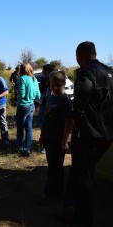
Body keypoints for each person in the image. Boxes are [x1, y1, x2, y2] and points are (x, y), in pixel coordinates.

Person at [59, 41, 113, 226]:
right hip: (107, 134)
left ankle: (84, 219)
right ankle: (71, 207)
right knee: (81, 173)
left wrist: (76, 116)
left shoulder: (86, 71)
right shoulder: (109, 72)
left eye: (77, 57)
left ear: (81, 55)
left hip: (90, 134)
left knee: (85, 179)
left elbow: (83, 90)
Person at [38, 70, 72, 205]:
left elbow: (68, 122)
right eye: (53, 84)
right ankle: (53, 192)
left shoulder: (64, 100)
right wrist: (42, 136)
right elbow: (46, 119)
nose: (55, 87)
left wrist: (64, 142)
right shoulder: (50, 97)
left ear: (64, 84)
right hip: (48, 138)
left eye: (58, 85)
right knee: (52, 166)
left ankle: (52, 193)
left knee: (56, 168)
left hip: (57, 140)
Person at [16, 63, 41, 157]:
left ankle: (20, 147)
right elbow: (38, 95)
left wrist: (18, 92)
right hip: (31, 105)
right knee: (29, 128)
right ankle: (28, 148)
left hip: (23, 105)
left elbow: (21, 94)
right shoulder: (34, 79)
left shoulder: (22, 78)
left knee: (20, 127)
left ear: (22, 70)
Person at [38, 64, 57, 154]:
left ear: (47, 71)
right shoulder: (44, 81)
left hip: (49, 107)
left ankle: (46, 146)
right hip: (43, 105)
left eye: (43, 70)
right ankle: (44, 144)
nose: (42, 72)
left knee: (47, 126)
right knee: (43, 125)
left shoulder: (53, 80)